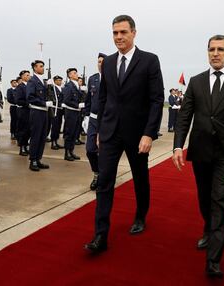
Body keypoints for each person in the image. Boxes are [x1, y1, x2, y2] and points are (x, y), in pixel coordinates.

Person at [172, 35, 224, 278]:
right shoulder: (196, 82)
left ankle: (214, 260)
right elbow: (185, 117)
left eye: (220, 49)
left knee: (220, 200)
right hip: (201, 151)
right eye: (211, 49)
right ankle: (208, 229)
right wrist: (177, 147)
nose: (215, 53)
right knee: (205, 198)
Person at [85, 15, 164, 253]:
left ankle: (140, 216)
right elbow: (103, 98)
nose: (118, 37)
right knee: (104, 181)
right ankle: (100, 235)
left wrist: (149, 133)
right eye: (115, 33)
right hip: (109, 132)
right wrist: (98, 129)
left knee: (140, 178)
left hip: (137, 134)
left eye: (123, 32)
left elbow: (156, 99)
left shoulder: (149, 60)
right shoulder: (107, 62)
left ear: (133, 33)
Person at [85, 53, 106, 191]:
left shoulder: (114, 79)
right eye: (98, 61)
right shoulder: (93, 79)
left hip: (107, 120)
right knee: (90, 150)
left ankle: (105, 176)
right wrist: (86, 116)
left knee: (106, 151)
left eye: (103, 61)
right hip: (93, 119)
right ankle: (96, 173)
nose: (100, 64)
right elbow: (88, 99)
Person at [27, 60, 52, 171]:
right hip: (37, 111)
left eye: (43, 66)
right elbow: (30, 97)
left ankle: (38, 159)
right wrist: (43, 103)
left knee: (42, 136)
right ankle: (33, 161)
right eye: (41, 66)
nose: (43, 68)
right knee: (36, 137)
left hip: (44, 112)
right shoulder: (32, 81)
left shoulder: (43, 81)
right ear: (35, 68)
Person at [62, 68, 84, 161]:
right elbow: (66, 100)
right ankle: (67, 153)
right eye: (74, 73)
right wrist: (77, 105)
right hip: (71, 112)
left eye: (76, 72)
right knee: (69, 133)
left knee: (75, 133)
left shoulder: (76, 85)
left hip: (77, 112)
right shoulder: (68, 86)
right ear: (69, 75)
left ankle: (71, 151)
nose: (76, 74)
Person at [15, 70, 31, 156]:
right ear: (22, 76)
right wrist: (29, 104)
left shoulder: (30, 86)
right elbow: (18, 100)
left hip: (30, 111)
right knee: (23, 130)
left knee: (29, 130)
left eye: (29, 75)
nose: (29, 76)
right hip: (23, 111)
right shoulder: (20, 87)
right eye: (27, 75)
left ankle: (26, 146)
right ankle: (22, 148)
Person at [50, 75, 64, 150]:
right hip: (55, 109)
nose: (59, 81)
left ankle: (56, 141)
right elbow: (52, 98)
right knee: (55, 126)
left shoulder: (62, 88)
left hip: (61, 109)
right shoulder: (53, 88)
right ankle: (53, 142)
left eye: (60, 80)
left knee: (58, 126)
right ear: (54, 81)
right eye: (58, 80)